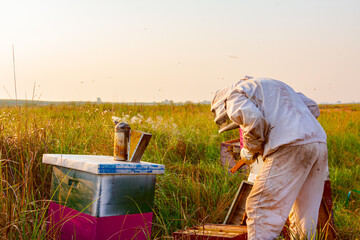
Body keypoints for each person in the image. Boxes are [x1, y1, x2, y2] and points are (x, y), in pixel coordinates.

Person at [211, 76, 328, 240]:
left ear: (222, 105)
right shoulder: (273, 86)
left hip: (289, 146)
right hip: (318, 142)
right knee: (305, 214)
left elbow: (253, 120)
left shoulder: (234, 95)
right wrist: (295, 127)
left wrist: (250, 149)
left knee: (260, 209)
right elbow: (312, 107)